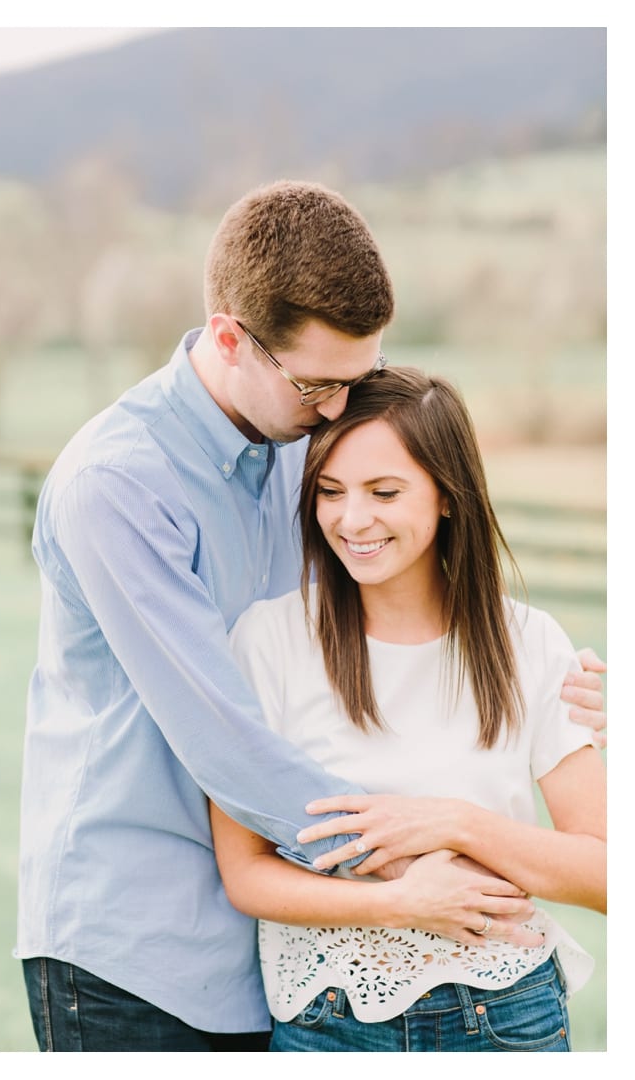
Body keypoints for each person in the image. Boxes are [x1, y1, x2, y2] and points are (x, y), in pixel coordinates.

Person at [14, 180, 608, 1052]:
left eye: (355, 381)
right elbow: (227, 739)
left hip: (283, 964)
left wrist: (562, 687)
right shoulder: (118, 483)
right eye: (317, 383)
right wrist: (423, 857)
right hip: (137, 945)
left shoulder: (298, 448)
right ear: (229, 337)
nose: (337, 410)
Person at [211, 367, 604, 1051]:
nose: (351, 519)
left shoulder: (530, 643)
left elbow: (606, 874)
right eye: (330, 492)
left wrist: (454, 822)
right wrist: (395, 903)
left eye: (384, 492)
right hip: (328, 1025)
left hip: (505, 1016)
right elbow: (245, 871)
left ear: (448, 497)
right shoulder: (268, 640)